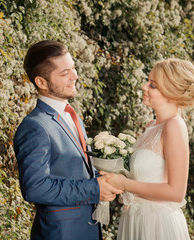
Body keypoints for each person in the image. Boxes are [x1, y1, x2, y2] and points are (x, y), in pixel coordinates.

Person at [13, 40, 122, 240]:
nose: (75, 76)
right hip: (61, 233)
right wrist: (95, 189)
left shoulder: (72, 115)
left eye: (73, 68)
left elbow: (73, 169)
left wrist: (105, 176)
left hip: (88, 229)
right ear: (42, 82)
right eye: (65, 73)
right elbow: (35, 187)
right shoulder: (35, 126)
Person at [103, 58, 194, 240]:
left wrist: (124, 184)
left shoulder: (174, 125)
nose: (144, 87)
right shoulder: (151, 126)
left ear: (171, 94)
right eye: (148, 81)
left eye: (153, 85)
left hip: (156, 225)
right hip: (134, 219)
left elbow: (176, 192)